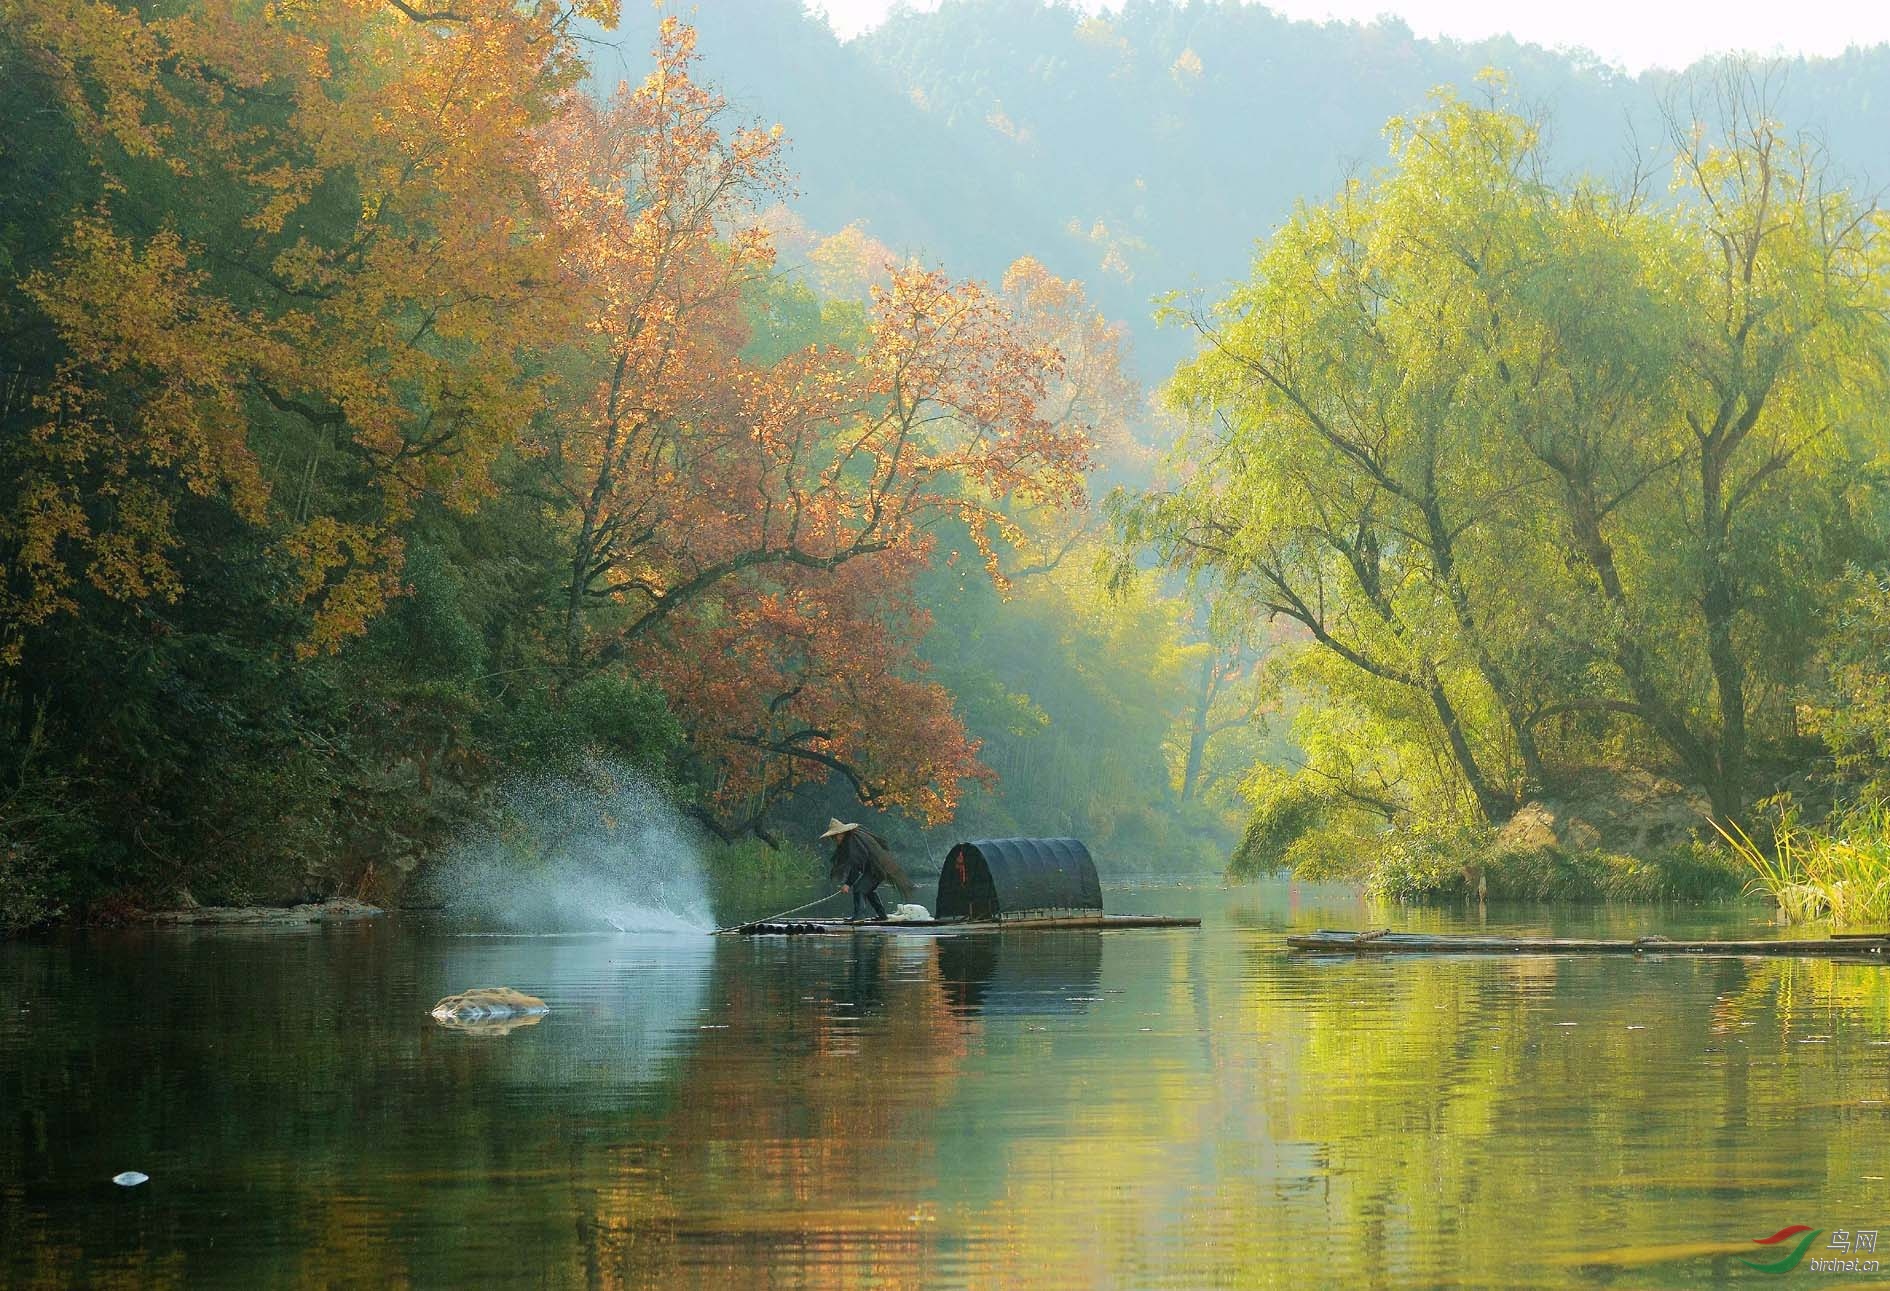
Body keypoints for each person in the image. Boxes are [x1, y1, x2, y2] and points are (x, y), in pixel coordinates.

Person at [820, 819, 912, 922]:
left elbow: (856, 866)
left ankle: (859, 916)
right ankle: (882, 916)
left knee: (859, 889)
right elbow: (856, 865)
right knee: (868, 891)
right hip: (875, 869)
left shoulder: (852, 842)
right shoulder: (851, 841)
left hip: (876, 869)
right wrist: (848, 883)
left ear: (842, 833)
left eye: (835, 836)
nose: (834, 839)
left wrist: (847, 884)